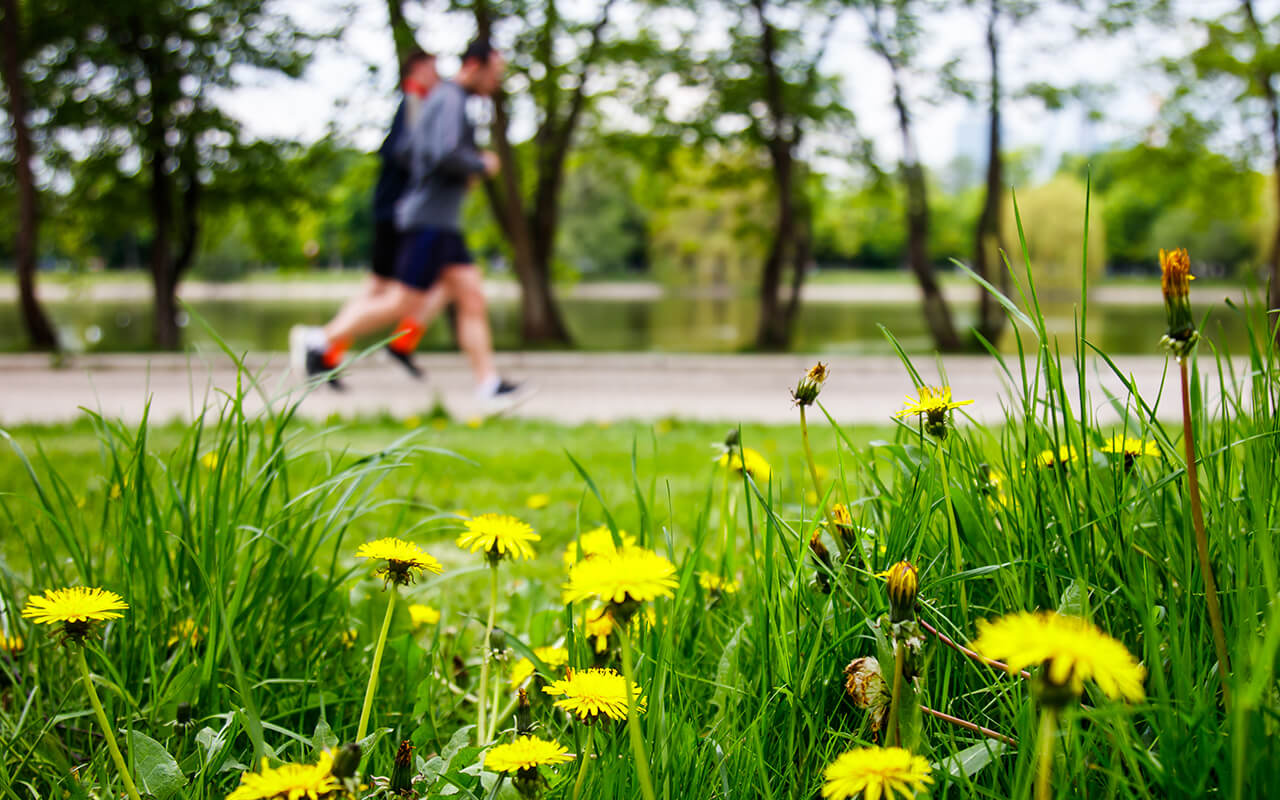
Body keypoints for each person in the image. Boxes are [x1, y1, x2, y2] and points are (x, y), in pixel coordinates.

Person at [291, 40, 525, 406]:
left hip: (441, 221)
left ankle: (488, 384)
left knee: (471, 296)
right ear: (476, 65)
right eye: (495, 73)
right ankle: (320, 339)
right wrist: (481, 164)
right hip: (429, 220)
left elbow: (417, 150)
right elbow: (443, 152)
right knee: (401, 301)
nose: (497, 82)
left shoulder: (443, 99)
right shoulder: (451, 99)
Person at [295, 48, 443, 386]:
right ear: (418, 69)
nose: (438, 75)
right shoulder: (415, 102)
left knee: (385, 288)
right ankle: (324, 342)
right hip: (397, 213)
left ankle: (330, 351)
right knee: (398, 291)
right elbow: (405, 154)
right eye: (434, 68)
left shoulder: (415, 103)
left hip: (396, 212)